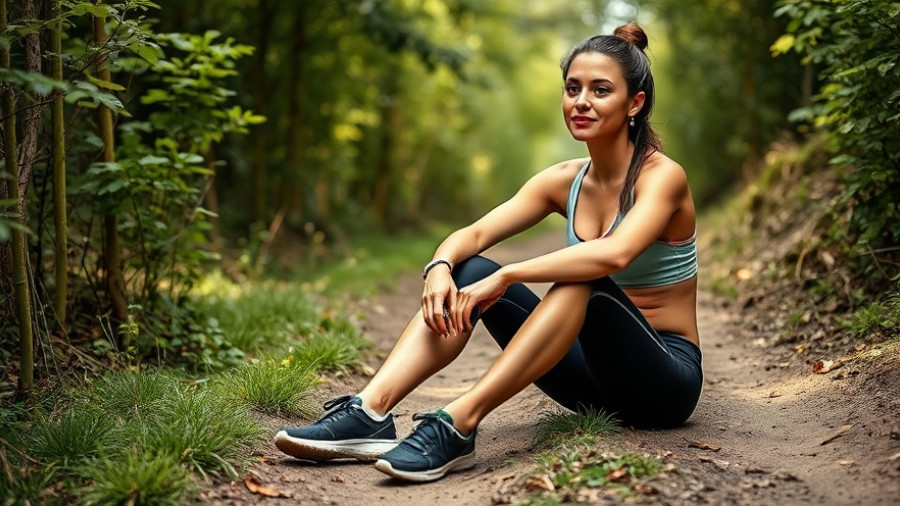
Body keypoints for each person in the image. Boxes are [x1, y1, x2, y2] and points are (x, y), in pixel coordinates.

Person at [274, 22, 702, 483]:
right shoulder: (564, 180)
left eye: (600, 91)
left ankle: (458, 424)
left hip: (662, 382)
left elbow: (613, 255)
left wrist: (509, 276)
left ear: (633, 103)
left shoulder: (662, 177)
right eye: (572, 88)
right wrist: (441, 266)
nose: (581, 102)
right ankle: (371, 412)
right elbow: (473, 235)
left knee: (584, 280)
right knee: (469, 266)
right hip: (585, 379)